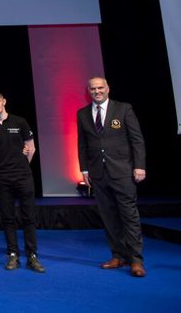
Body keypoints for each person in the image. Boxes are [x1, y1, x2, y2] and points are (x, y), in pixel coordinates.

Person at [77, 77, 147, 277]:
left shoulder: (124, 109)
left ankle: (136, 260)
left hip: (122, 172)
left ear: (108, 88)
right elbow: (82, 144)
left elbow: (137, 140)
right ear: (88, 91)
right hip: (98, 174)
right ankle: (118, 255)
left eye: (100, 88)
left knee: (129, 216)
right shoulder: (82, 113)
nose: (97, 91)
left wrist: (139, 166)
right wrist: (84, 170)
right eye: (93, 89)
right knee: (108, 218)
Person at [0, 91, 44, 273]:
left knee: (28, 217)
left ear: (4, 101)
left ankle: (32, 256)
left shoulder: (19, 121)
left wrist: (21, 165)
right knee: (7, 218)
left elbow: (31, 147)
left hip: (23, 176)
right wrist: (5, 166)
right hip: (2, 177)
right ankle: (12, 254)